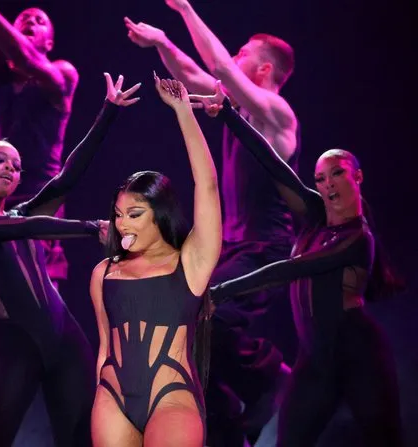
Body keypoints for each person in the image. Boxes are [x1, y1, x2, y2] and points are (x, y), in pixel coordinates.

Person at [125, 1, 299, 441]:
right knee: (182, 318)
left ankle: (268, 373)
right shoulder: (240, 109)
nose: (233, 57)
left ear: (262, 70)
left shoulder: (278, 115)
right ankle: (222, 418)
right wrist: (163, 42)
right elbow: (191, 76)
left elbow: (219, 67)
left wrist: (185, 10)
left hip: (267, 249)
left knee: (210, 313)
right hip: (235, 247)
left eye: (244, 53)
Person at [0, 73, 140, 447]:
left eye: (16, 167)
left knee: (86, 436)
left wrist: (108, 112)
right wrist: (88, 227)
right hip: (13, 342)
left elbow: (66, 179)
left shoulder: (21, 217)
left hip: (64, 338)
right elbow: (7, 230)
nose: (9, 169)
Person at [199, 94, 403, 447]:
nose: (328, 185)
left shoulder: (359, 239)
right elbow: (273, 164)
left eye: (337, 174)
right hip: (315, 361)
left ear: (357, 176)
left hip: (359, 358)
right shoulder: (315, 213)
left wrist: (217, 291)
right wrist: (230, 116)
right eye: (320, 179)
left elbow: (287, 270)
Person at [89, 74, 221, 446]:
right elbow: (104, 345)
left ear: (159, 215)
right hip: (111, 397)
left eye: (134, 213)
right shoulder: (104, 272)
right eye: (117, 214)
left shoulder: (191, 262)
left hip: (172, 396)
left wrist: (182, 110)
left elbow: (207, 184)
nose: (121, 224)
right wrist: (98, 392)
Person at [0, 0, 78, 285]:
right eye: (24, 18)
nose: (30, 22)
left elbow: (27, 60)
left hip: (40, 199)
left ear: (50, 41)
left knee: (38, 287)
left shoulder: (63, 73)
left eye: (39, 20)